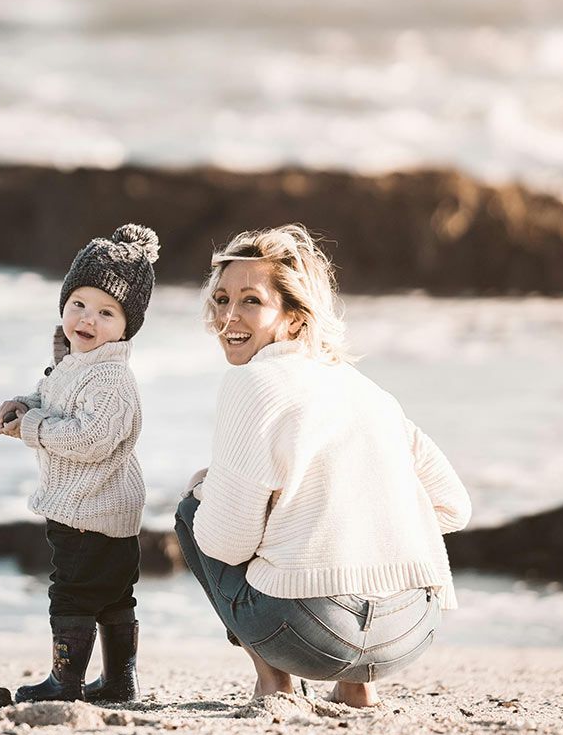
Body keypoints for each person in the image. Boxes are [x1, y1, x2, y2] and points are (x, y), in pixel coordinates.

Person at [175, 224, 471, 708]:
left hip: (312, 634)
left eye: (251, 301)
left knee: (193, 508)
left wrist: (213, 493)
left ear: (293, 317)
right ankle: (358, 687)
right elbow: (453, 507)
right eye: (222, 299)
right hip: (410, 631)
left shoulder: (254, 383)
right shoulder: (365, 388)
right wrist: (351, 515)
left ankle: (275, 682)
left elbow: (226, 542)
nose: (229, 316)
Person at [0, 224, 158, 703]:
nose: (88, 319)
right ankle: (117, 681)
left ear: (128, 326)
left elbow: (88, 439)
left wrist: (33, 427)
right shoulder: (75, 362)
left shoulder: (110, 378)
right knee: (111, 596)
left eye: (107, 312)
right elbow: (51, 397)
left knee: (72, 594)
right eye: (79, 305)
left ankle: (65, 682)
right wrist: (26, 404)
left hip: (90, 512)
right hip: (98, 510)